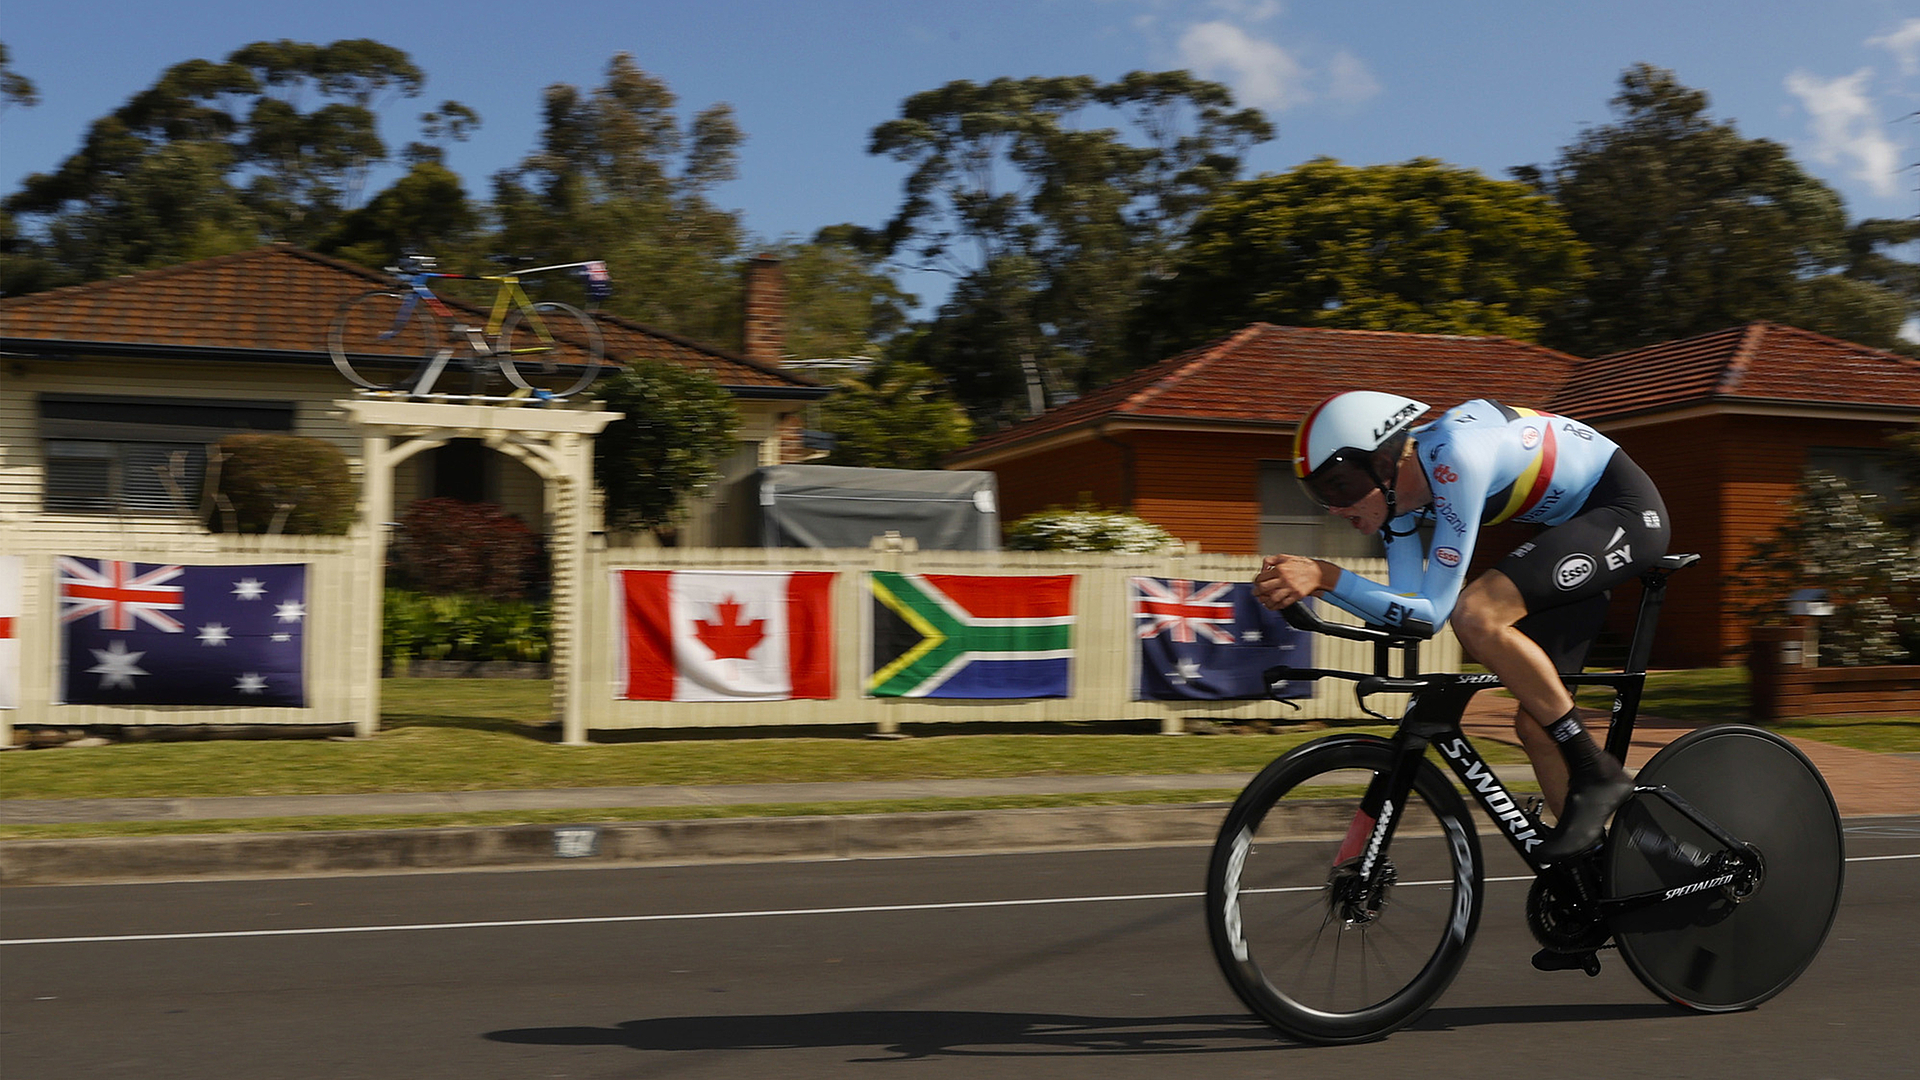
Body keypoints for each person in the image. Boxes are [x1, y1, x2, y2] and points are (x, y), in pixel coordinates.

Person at [1253, 390, 1671, 863]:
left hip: (1623, 512)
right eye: (1319, 494)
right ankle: (1603, 877)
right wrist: (1321, 590)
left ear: (1384, 462)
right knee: (1536, 727)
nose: (1332, 508)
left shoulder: (1455, 457)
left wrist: (1326, 577)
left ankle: (1599, 772)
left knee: (1477, 613)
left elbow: (1439, 610)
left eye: (1338, 487)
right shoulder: (1396, 507)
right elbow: (1412, 616)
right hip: (1570, 527)